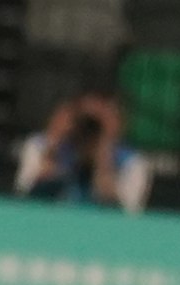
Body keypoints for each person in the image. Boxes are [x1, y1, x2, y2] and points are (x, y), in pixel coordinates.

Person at [13, 90, 147, 210]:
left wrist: (103, 151)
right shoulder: (39, 146)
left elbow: (123, 211)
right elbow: (26, 195)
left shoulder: (133, 162)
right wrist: (56, 142)